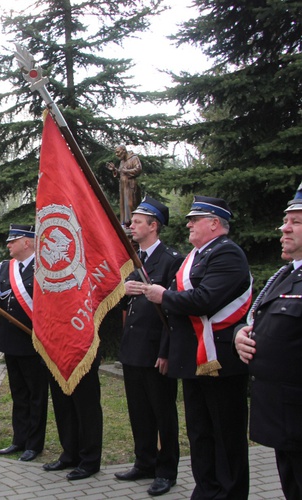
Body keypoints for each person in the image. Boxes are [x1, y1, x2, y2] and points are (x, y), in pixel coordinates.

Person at [140, 196, 252, 499]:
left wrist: (164, 296)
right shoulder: (196, 256)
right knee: (200, 432)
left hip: (220, 360)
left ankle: (229, 493)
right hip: (193, 359)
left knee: (225, 434)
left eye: (195, 219)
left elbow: (204, 299)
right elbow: (180, 309)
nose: (188, 223)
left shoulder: (227, 254)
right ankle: (206, 489)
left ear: (214, 223)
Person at [235, 182, 302, 500]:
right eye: (286, 220)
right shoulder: (287, 275)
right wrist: (241, 335)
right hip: (283, 417)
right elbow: (259, 320)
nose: (284, 228)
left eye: (296, 221)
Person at [114, 196, 182, 496]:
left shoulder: (171, 260)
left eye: (138, 222)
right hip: (133, 350)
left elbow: (174, 312)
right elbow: (127, 304)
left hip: (156, 351)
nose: (132, 226)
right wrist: (121, 290)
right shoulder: (134, 259)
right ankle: (145, 462)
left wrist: (167, 351)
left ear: (153, 226)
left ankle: (166, 470)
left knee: (162, 413)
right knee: (139, 412)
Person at [0, 224, 48, 462]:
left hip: (33, 341)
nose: (8, 245)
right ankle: (19, 439)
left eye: (12, 241)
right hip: (10, 340)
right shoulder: (5, 267)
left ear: (27, 242)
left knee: (36, 395)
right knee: (18, 393)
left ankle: (34, 444)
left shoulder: (43, 267)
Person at [106, 145, 142, 226]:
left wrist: (127, 171)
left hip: (131, 185)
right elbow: (121, 173)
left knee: (131, 204)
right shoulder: (122, 162)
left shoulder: (134, 158)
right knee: (123, 205)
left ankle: (134, 224)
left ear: (124, 151)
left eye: (118, 152)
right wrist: (115, 170)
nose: (116, 154)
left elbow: (138, 169)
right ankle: (126, 223)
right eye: (115, 152)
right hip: (123, 186)